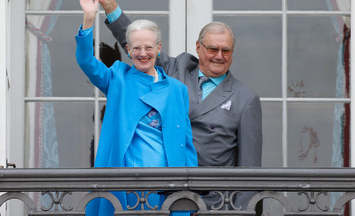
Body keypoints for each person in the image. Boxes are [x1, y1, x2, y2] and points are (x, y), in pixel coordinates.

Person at [97, 0, 263, 212]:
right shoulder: (177, 69)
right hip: (163, 197)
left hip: (213, 204)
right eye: (213, 49)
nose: (219, 56)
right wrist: (110, 6)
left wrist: (244, 211)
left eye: (226, 50)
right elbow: (138, 44)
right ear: (198, 47)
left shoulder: (246, 99)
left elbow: (251, 171)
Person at [76, 0, 198, 215]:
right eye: (137, 48)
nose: (143, 53)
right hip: (124, 180)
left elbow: (186, 142)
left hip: (167, 183)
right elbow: (86, 61)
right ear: (128, 49)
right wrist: (88, 17)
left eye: (149, 47)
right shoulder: (116, 78)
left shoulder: (176, 89)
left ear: (158, 49)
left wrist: (192, 193)